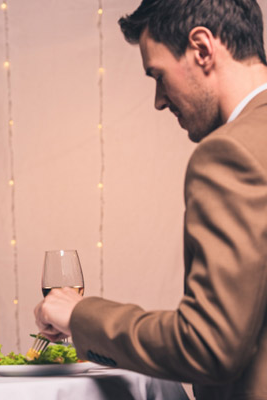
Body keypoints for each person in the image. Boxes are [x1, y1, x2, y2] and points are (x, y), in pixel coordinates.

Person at [34, 0, 267, 398]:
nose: (159, 100)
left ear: (202, 48)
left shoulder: (231, 153)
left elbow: (209, 346)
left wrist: (80, 316)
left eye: (158, 75)